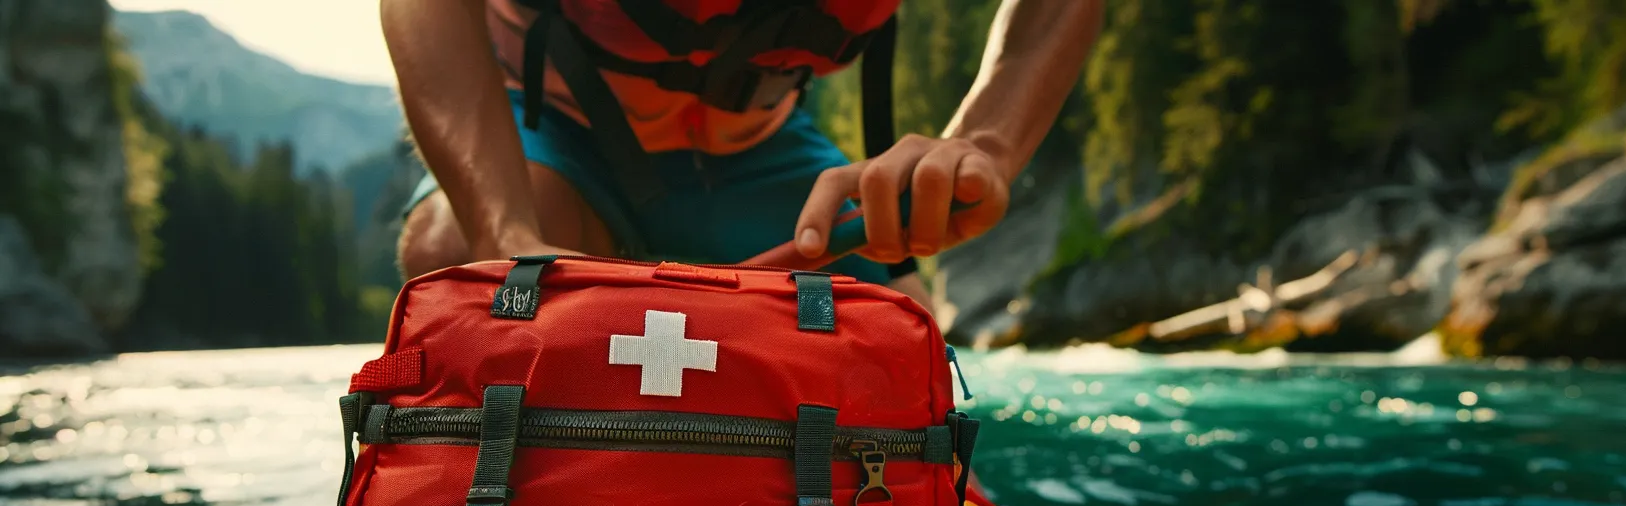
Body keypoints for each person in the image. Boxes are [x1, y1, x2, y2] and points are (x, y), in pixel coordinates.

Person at [382, 0, 1101, 308]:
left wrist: (984, 144)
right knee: (457, 262)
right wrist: (502, 227)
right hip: (556, 133)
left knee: (900, 338)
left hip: (764, 151)